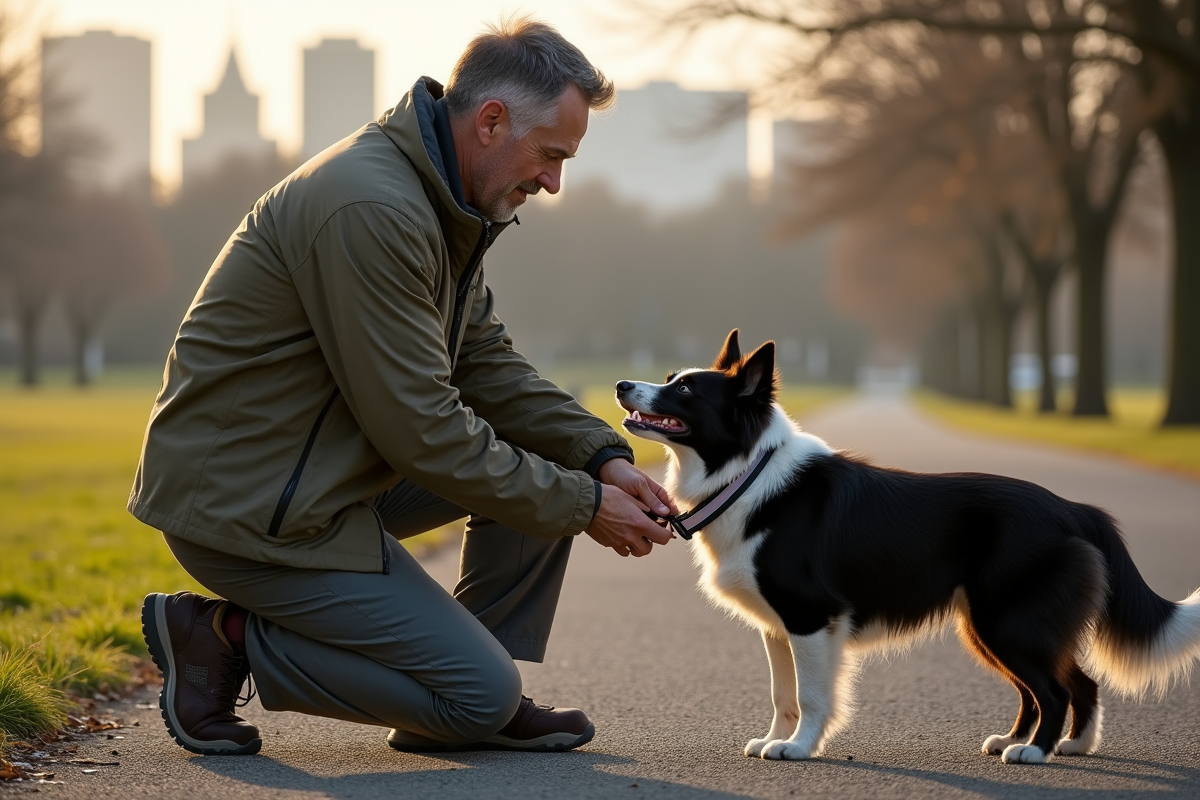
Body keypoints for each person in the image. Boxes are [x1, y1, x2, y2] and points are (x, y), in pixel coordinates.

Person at [131, 17, 677, 757]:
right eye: (551, 155)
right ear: (490, 122)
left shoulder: (445, 202)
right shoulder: (375, 209)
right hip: (251, 509)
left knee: (555, 462)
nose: (553, 181)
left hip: (319, 479)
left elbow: (485, 366)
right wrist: (586, 506)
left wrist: (603, 458)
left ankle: (469, 693)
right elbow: (421, 428)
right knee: (478, 690)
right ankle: (221, 637)